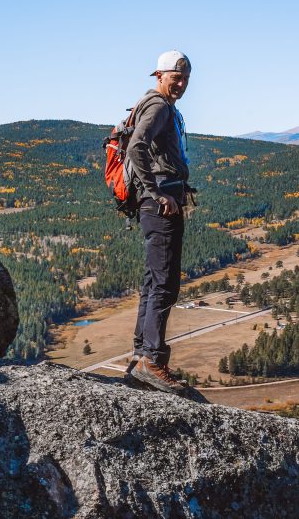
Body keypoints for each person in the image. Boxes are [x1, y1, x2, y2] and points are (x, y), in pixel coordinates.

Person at [125, 49, 193, 392]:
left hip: (161, 202)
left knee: (154, 282)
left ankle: (140, 358)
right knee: (164, 284)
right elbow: (136, 146)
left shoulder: (157, 104)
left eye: (185, 78)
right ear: (159, 75)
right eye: (175, 77)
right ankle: (152, 360)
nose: (180, 84)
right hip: (162, 205)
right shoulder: (159, 106)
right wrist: (155, 193)